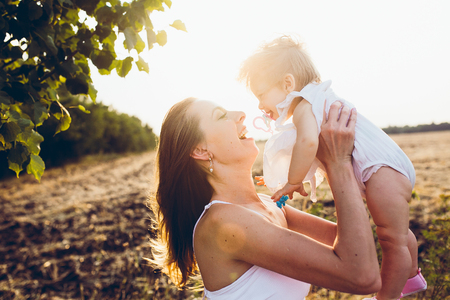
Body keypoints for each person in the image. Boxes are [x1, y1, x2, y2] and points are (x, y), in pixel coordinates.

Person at [238, 35, 427, 300]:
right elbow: (308, 149)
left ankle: (387, 296)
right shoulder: (317, 100)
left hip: (381, 170)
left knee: (391, 239)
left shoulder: (305, 106)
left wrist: (293, 182)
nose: (259, 104)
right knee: (396, 233)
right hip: (386, 169)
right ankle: (411, 277)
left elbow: (306, 143)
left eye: (261, 94)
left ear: (288, 84)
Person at [150, 97, 381, 299]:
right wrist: (337, 163)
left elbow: (353, 243)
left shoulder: (266, 203)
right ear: (201, 151)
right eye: (221, 116)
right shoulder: (223, 223)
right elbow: (361, 275)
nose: (240, 114)